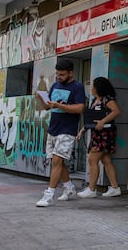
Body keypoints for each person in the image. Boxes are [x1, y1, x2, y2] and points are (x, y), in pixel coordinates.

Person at [35, 59, 86, 207]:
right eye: (57, 74)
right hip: (53, 128)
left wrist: (58, 105)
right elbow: (47, 108)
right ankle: (69, 187)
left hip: (67, 129)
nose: (59, 77)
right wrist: (42, 100)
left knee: (57, 160)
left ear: (71, 73)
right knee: (57, 160)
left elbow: (80, 108)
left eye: (62, 74)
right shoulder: (55, 85)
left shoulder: (78, 87)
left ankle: (49, 194)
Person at [76, 76, 122, 198]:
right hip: (96, 133)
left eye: (93, 86)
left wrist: (103, 121)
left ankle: (91, 189)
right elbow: (91, 118)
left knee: (93, 159)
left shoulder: (107, 100)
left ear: (98, 88)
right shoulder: (94, 101)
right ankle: (115, 187)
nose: (91, 89)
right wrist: (82, 130)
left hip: (105, 134)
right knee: (106, 160)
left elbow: (116, 111)